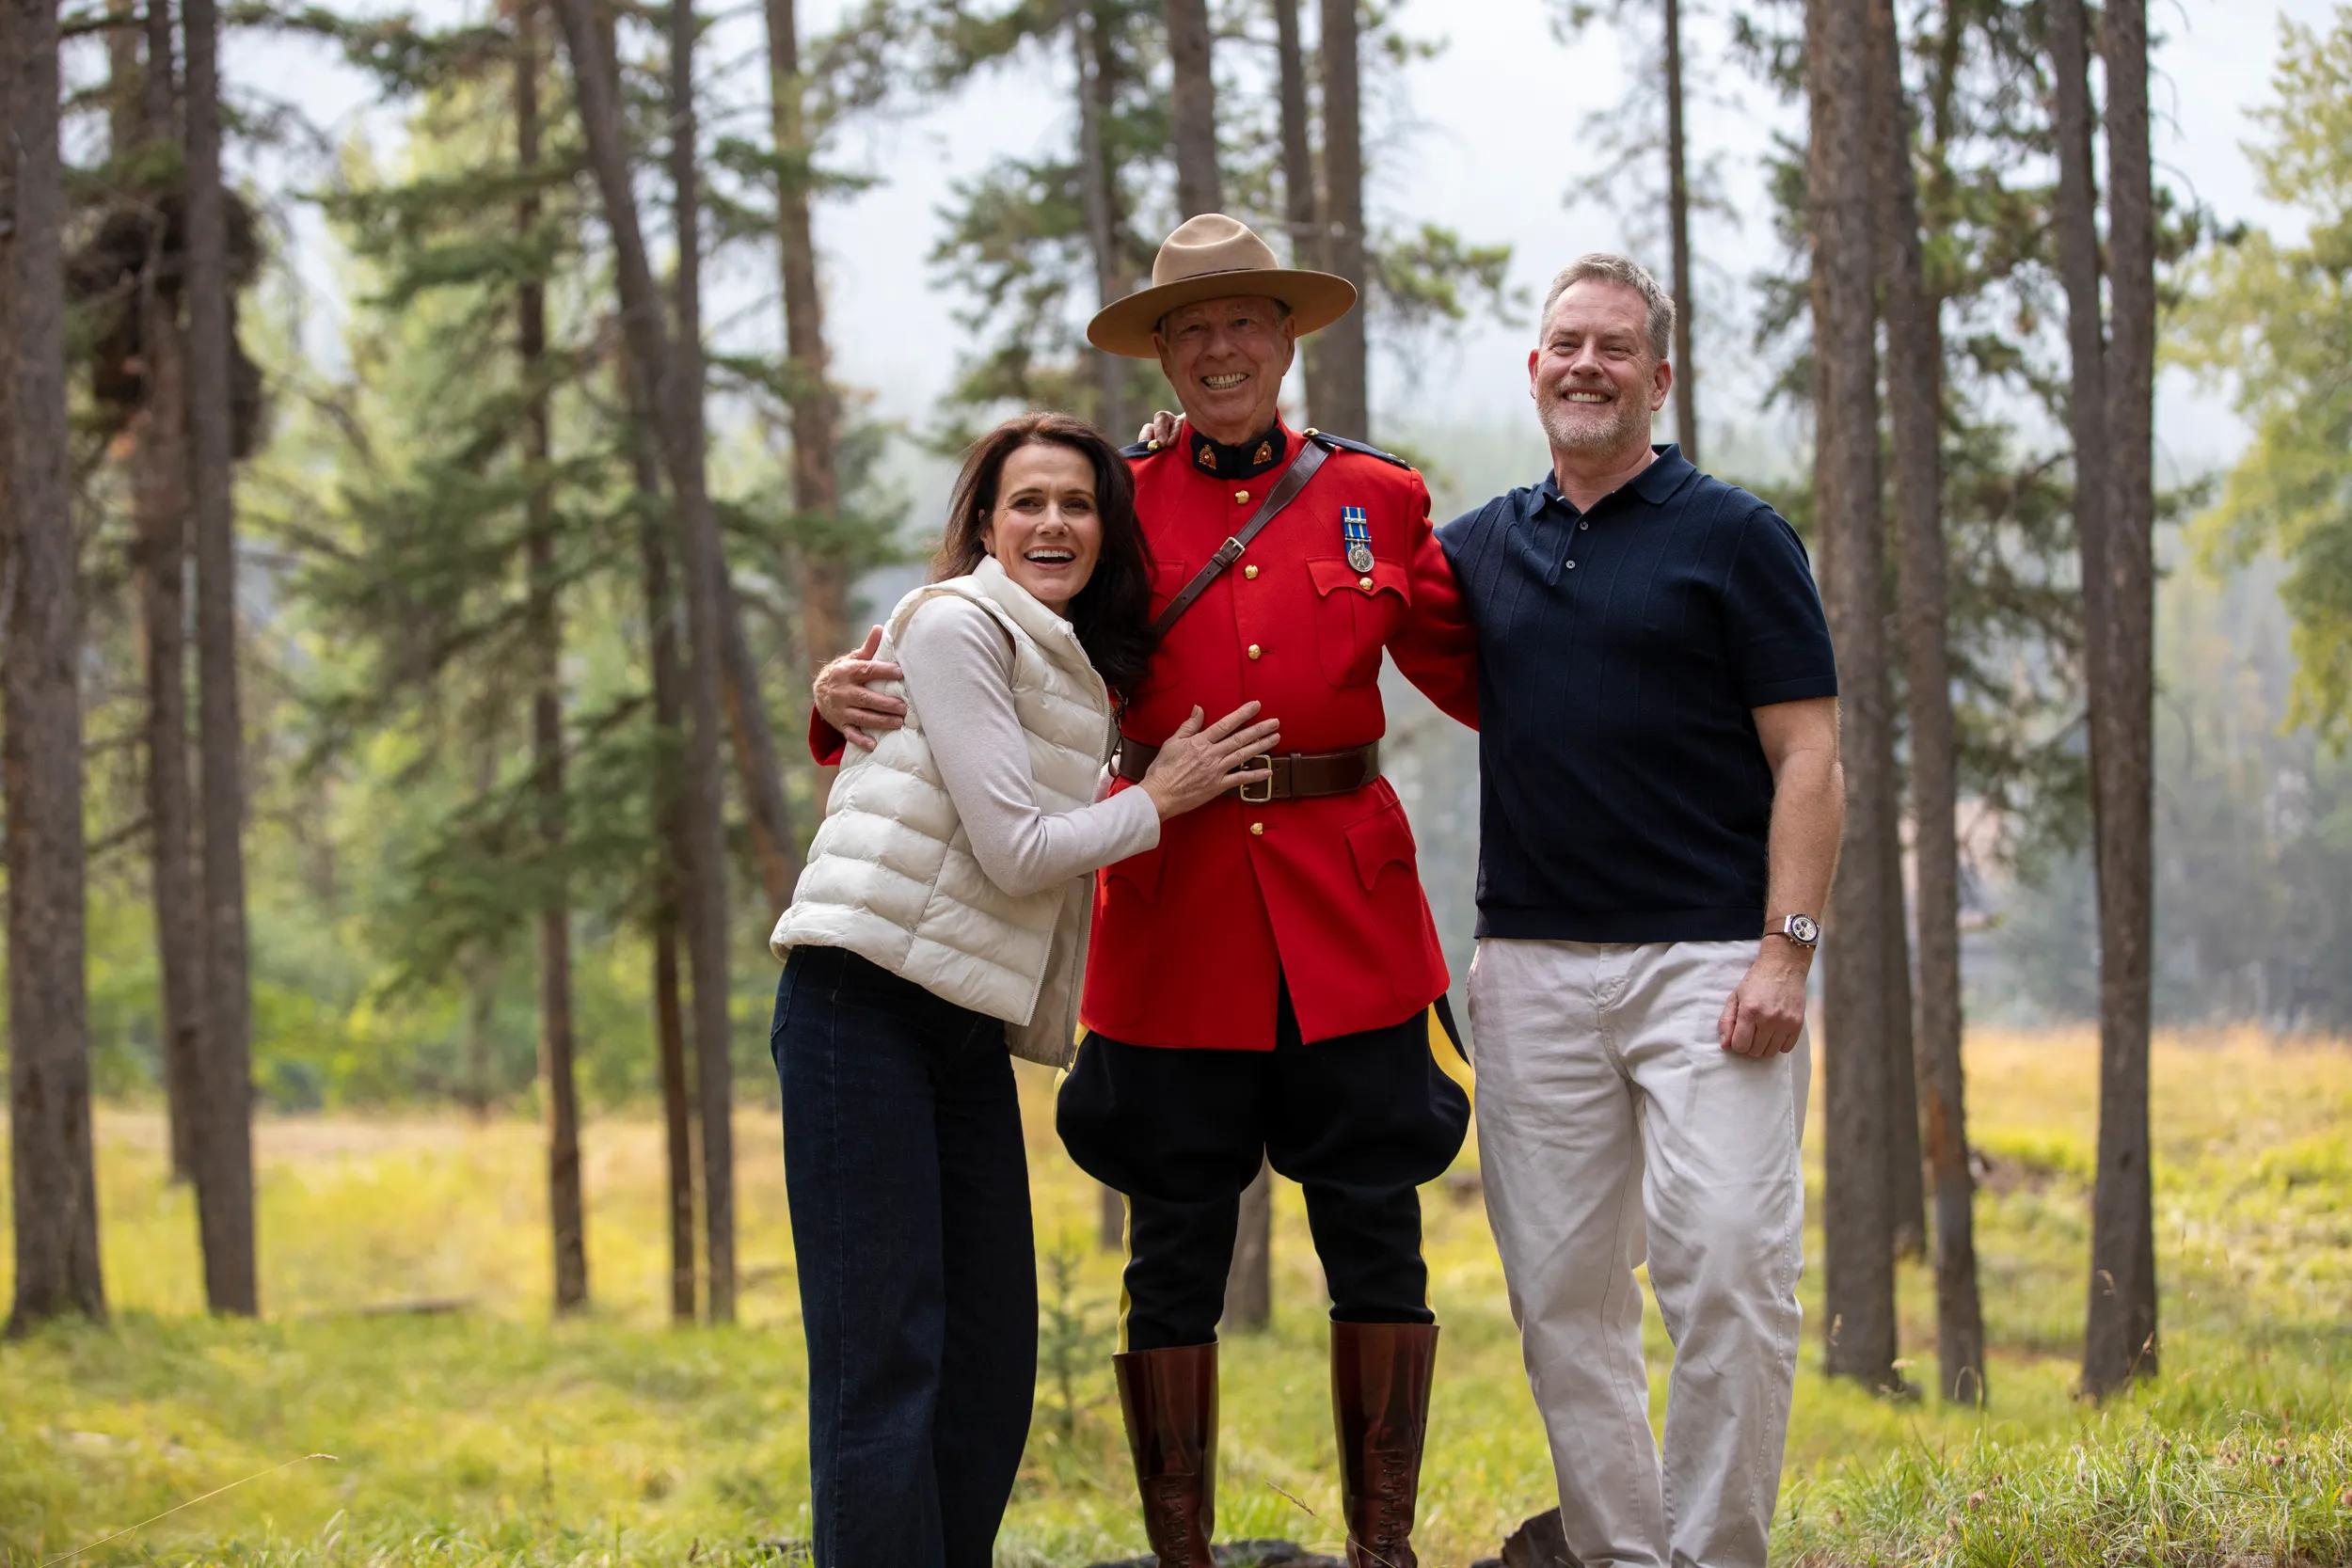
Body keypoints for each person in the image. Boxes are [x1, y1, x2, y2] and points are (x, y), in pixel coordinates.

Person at [811, 214, 1479, 1568]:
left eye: (1246, 321)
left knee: (1377, 1225)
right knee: (1172, 1239)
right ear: (1163, 351)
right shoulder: (1105, 503)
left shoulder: (1380, 498)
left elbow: (1488, 670)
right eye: (1192, 326)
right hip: (1172, 909)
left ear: (1288, 338)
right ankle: (1183, 1553)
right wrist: (838, 697)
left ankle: (1384, 1546)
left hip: (1348, 912)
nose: (1221, 346)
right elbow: (972, 622)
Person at [767, 412, 1280, 1568]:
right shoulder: (956, 620)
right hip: (859, 1006)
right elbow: (1012, 845)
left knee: (992, 1357)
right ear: (984, 526)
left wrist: (1165, 445)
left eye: (1081, 502)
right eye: (1028, 501)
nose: (1055, 520)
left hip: (953, 1023)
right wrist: (1170, 793)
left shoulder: (1062, 652)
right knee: (884, 1360)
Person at [1437, 254, 1844, 1568]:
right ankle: (1620, 1552)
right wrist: (1174, 450)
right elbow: (1321, 569)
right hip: (1530, 968)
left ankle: (1717, 1551)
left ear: (1659, 379)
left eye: (1616, 348)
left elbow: (1811, 759)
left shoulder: (1735, 535)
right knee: (1561, 1294)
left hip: (1712, 961)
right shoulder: (1484, 547)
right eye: (1566, 343)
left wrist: (1788, 951)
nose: (1586, 365)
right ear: (1535, 366)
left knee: (1726, 1263)